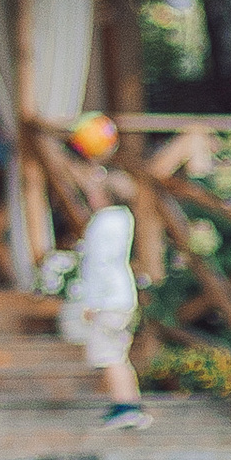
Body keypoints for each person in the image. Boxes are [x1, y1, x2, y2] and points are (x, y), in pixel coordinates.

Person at [69, 131, 151, 429]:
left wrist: (91, 302)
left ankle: (124, 406)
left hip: (108, 299)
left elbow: (99, 264)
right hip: (123, 296)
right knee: (119, 352)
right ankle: (131, 403)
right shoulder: (124, 218)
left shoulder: (102, 222)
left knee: (110, 353)